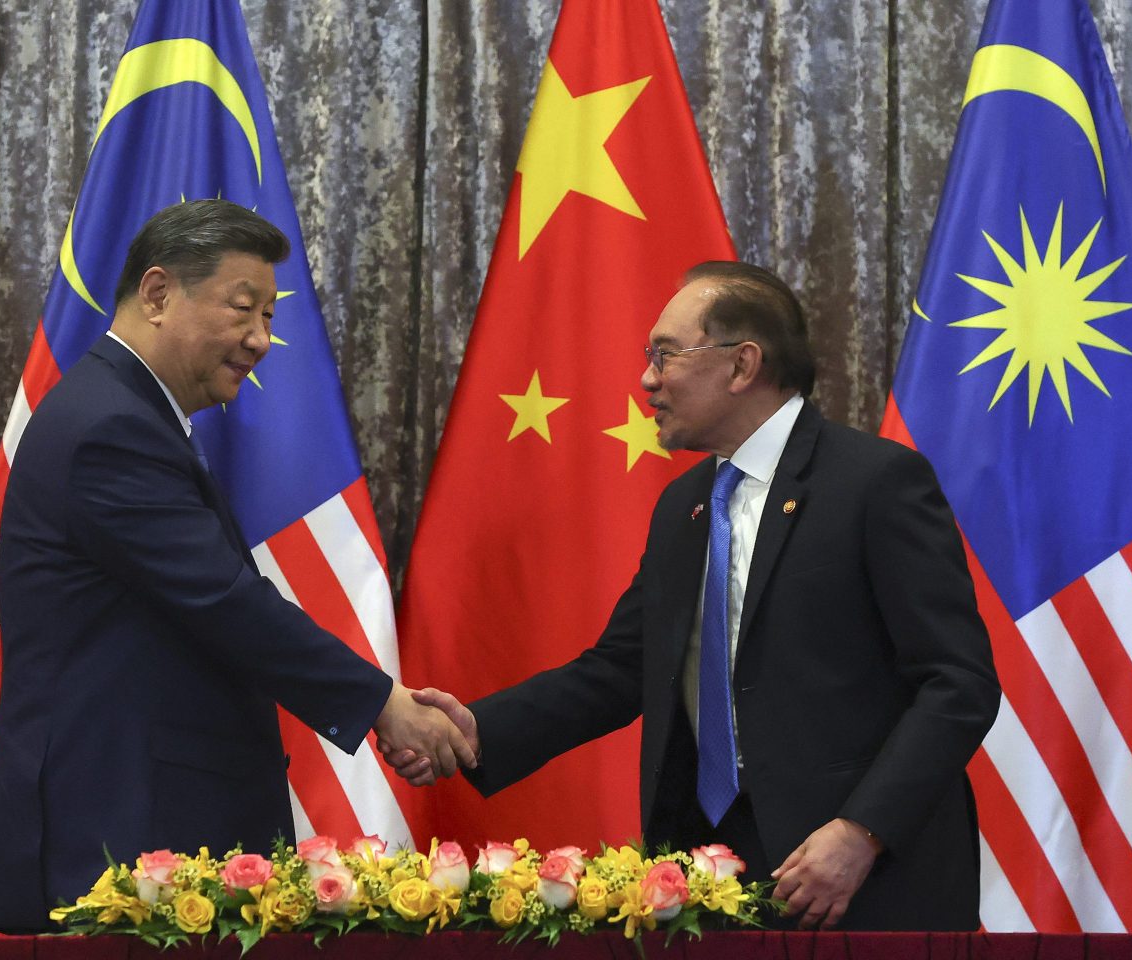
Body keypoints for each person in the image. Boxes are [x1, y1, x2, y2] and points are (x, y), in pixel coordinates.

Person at [388, 261, 1000, 931]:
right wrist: (479, 730)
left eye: (665, 355)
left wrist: (861, 831)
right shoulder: (686, 503)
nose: (648, 379)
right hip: (710, 875)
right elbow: (623, 668)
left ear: (742, 366)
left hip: (858, 880)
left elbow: (957, 683)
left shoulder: (875, 483)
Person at [0, 200, 473, 933]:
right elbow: (224, 601)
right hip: (117, 832)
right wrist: (381, 703)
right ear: (156, 294)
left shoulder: (131, 414)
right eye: (244, 309)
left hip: (143, 822)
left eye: (270, 317)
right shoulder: (110, 428)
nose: (262, 340)